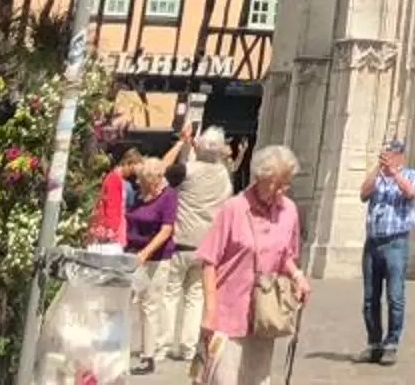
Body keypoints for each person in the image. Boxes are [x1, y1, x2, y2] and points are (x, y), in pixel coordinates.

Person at [197, 143, 310, 385]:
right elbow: (208, 261)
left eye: (286, 183)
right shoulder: (234, 209)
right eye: (277, 184)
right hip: (228, 312)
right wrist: (210, 311)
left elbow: (286, 256)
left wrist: (298, 276)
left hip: (264, 315)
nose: (283, 190)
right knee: (221, 379)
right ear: (259, 178)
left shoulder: (288, 211)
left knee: (258, 380)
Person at [165, 125, 237, 361]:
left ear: (199, 147)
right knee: (196, 296)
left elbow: (162, 170)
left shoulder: (187, 170)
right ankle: (188, 346)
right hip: (207, 246)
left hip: (182, 240)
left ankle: (164, 344)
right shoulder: (224, 176)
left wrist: (182, 144)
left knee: (171, 293)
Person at [360, 135, 415, 364]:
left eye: (392, 153)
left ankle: (392, 343)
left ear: (401, 156)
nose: (388, 157)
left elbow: (410, 193)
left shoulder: (410, 175)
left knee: (395, 295)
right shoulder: (377, 177)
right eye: (385, 153)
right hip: (373, 242)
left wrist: (394, 173)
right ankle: (374, 342)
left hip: (396, 243)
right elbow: (363, 194)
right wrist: (378, 170)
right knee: (370, 297)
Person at [123, 154, 182, 372]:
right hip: (132, 255)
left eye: (141, 179)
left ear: (153, 179)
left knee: (149, 306)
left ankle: (148, 356)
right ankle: (121, 349)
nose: (137, 182)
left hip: (155, 259)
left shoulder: (168, 197)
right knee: (127, 302)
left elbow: (167, 229)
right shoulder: (140, 196)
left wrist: (146, 252)